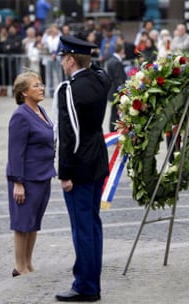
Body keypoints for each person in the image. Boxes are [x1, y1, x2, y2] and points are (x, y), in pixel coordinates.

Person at [53, 35, 111, 302]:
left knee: (82, 228)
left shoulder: (68, 90)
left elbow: (68, 135)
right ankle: (91, 281)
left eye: (64, 58)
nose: (62, 63)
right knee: (93, 224)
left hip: (80, 167)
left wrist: (64, 173)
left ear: (71, 59)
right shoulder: (100, 80)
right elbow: (98, 69)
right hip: (98, 161)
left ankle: (86, 285)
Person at [6, 71, 56, 277]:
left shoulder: (40, 110)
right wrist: (18, 182)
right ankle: (19, 266)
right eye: (36, 85)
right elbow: (15, 152)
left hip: (43, 175)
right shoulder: (20, 115)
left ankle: (28, 262)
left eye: (41, 84)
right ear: (25, 92)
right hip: (26, 178)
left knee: (34, 221)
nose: (41, 88)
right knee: (22, 222)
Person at [105, 42, 127, 132]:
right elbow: (119, 79)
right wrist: (123, 91)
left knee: (114, 112)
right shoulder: (116, 62)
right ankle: (113, 131)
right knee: (115, 113)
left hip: (112, 90)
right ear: (122, 50)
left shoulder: (111, 60)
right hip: (116, 91)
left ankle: (113, 130)